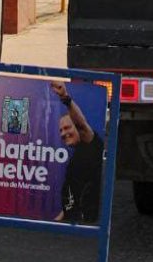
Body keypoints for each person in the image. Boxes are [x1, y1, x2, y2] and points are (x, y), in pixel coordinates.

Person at [51, 80, 104, 224]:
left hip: (86, 222)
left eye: (68, 128)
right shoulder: (77, 157)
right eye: (61, 130)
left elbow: (81, 123)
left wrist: (65, 99)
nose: (63, 133)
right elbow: (73, 191)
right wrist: (58, 220)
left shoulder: (92, 144)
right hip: (72, 222)